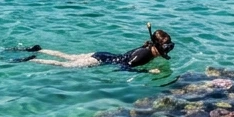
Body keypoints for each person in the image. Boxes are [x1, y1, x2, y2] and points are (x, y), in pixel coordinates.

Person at [18, 24, 174, 71]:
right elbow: (125, 67)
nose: (167, 49)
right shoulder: (145, 54)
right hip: (101, 61)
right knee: (65, 65)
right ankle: (32, 60)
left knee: (69, 56)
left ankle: (39, 50)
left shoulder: (146, 49)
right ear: (157, 46)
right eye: (166, 47)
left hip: (102, 54)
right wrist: (147, 71)